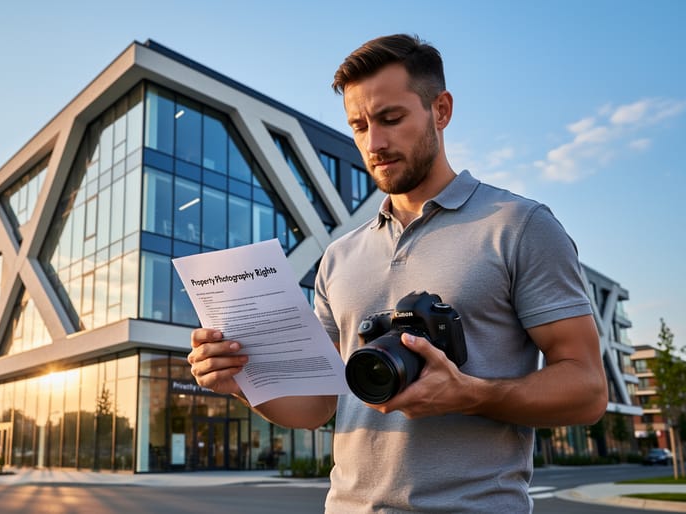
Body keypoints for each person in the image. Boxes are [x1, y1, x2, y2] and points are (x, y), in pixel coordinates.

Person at [187, 34, 607, 512]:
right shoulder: (339, 256)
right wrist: (242, 381)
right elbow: (320, 405)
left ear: (441, 110)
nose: (375, 143)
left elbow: (588, 390)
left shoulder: (518, 226)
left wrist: (469, 394)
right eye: (359, 126)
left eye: (391, 119)